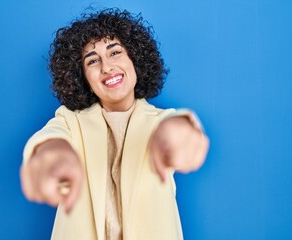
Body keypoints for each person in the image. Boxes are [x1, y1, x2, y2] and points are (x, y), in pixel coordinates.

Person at [20, 8, 209, 240]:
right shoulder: (70, 121)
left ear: (135, 60)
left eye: (115, 52)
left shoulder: (161, 121)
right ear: (84, 79)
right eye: (92, 61)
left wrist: (181, 132)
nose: (107, 67)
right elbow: (51, 138)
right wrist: (51, 153)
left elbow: (178, 128)